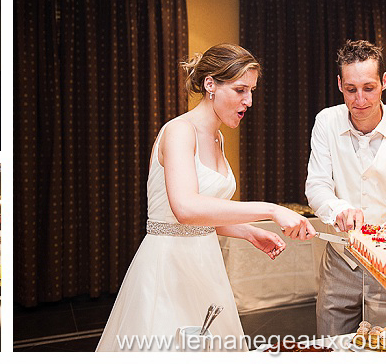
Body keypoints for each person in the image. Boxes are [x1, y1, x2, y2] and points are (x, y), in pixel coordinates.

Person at [96, 43, 316, 351]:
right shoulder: (178, 131)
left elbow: (204, 217)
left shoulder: (217, 136)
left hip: (205, 262)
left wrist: (249, 232)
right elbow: (184, 209)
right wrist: (270, 210)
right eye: (241, 90)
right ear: (210, 84)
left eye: (251, 91)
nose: (249, 101)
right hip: (168, 266)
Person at [305, 40, 386, 336]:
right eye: (351, 89)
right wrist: (340, 209)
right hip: (341, 257)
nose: (360, 99)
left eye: (369, 88)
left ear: (384, 82)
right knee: (331, 346)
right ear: (339, 84)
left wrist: (380, 240)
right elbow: (317, 185)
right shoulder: (326, 121)